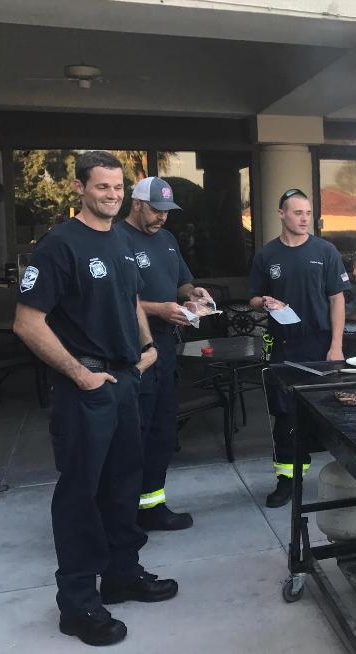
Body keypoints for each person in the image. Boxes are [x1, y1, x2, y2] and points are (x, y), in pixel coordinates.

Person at [14, 152, 178, 647]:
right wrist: (79, 375)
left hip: (126, 381)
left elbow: (131, 299)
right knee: (81, 496)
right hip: (85, 390)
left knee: (124, 485)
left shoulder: (123, 241)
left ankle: (122, 575)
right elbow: (27, 322)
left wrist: (146, 347)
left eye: (117, 187)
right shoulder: (59, 245)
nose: (111, 194)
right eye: (102, 186)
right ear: (80, 188)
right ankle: (78, 603)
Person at [116, 176, 214, 531]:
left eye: (167, 211)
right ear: (137, 204)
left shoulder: (168, 239)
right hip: (134, 350)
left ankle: (152, 505)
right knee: (133, 432)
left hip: (167, 347)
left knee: (162, 430)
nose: (162, 218)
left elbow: (182, 282)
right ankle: (122, 511)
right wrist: (158, 309)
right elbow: (116, 299)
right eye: (156, 210)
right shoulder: (117, 239)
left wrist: (193, 294)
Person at [248, 188, 349, 508]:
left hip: (320, 343)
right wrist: (263, 302)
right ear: (282, 214)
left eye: (307, 213)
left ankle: (344, 477)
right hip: (283, 345)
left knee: (329, 411)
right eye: (297, 213)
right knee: (285, 416)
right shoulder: (266, 255)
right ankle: (287, 481)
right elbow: (253, 299)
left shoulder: (325, 251)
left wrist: (336, 346)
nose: (304, 219)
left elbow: (337, 299)